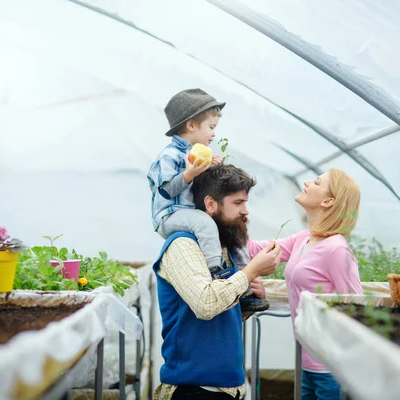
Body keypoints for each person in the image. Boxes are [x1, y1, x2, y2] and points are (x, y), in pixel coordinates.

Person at [152, 164, 282, 400]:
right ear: (210, 204)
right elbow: (205, 304)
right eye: (238, 202)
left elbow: (220, 316)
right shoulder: (182, 245)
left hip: (227, 388)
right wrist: (249, 273)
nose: (246, 211)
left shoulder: (223, 249)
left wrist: (247, 292)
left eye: (246, 202)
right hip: (195, 390)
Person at [147, 88, 269, 312]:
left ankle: (246, 284)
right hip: (169, 214)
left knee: (232, 235)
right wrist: (190, 173)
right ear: (191, 125)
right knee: (205, 223)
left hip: (188, 213)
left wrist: (207, 167)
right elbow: (165, 191)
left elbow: (199, 188)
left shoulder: (194, 153)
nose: (214, 134)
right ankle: (216, 270)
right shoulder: (169, 156)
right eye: (211, 128)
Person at [247, 169, 363, 400]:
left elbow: (356, 307)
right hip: (306, 359)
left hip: (331, 368)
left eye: (317, 182)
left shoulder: (336, 249)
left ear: (328, 201)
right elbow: (254, 250)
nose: (308, 182)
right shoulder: (304, 239)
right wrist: (224, 219)